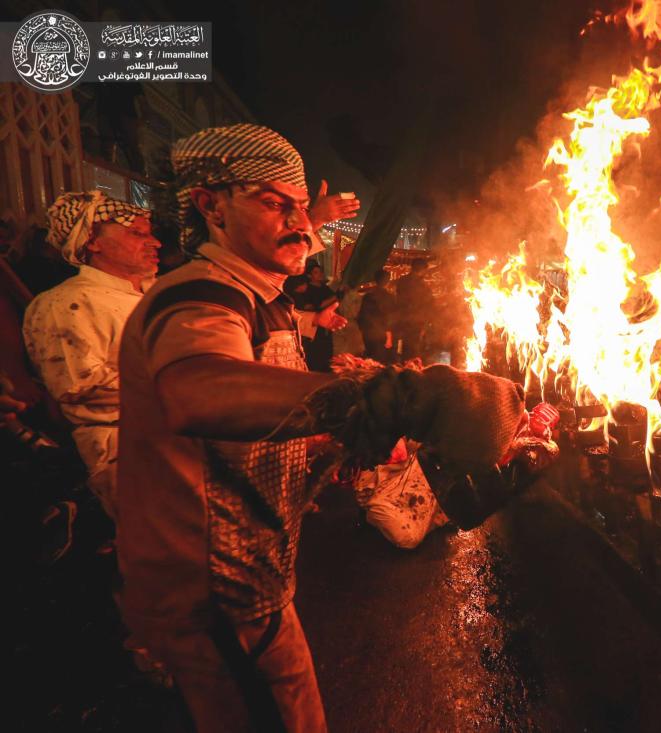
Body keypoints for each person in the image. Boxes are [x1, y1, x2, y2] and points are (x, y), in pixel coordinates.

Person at [116, 123, 530, 733]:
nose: (302, 225)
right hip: (212, 586)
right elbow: (198, 391)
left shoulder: (265, 297)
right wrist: (391, 400)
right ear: (211, 204)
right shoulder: (203, 293)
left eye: (303, 208)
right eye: (274, 203)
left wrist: (358, 444)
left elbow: (268, 425)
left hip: (254, 566)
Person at [22, 191, 161, 520]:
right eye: (137, 234)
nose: (154, 242)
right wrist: (181, 386)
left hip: (175, 438)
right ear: (92, 242)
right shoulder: (66, 303)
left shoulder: (156, 295)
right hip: (125, 451)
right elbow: (78, 385)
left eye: (150, 233)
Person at [292, 262, 338, 371]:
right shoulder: (307, 290)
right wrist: (335, 297)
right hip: (313, 328)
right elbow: (315, 306)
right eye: (316, 272)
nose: (320, 274)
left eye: (320, 271)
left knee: (328, 354)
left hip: (328, 326)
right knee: (316, 355)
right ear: (309, 276)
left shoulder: (325, 287)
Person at [394, 258, 435, 360]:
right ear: (421, 269)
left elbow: (399, 299)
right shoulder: (421, 285)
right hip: (416, 321)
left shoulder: (402, 281)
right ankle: (412, 370)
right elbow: (429, 303)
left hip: (403, 319)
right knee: (414, 350)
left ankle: (405, 369)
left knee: (405, 348)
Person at [357, 269, 396, 363]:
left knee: (371, 358)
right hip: (382, 333)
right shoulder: (389, 297)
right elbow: (390, 317)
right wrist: (389, 335)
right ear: (388, 281)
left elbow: (362, 315)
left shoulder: (368, 296)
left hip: (368, 332)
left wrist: (363, 329)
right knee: (381, 360)